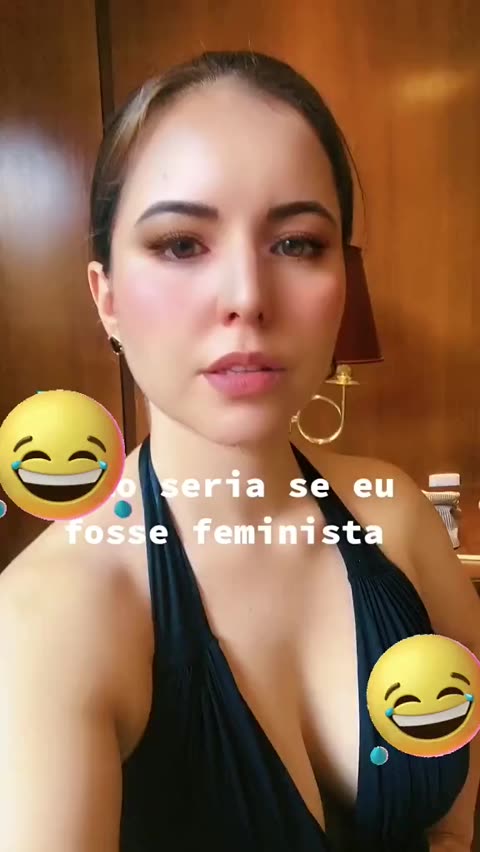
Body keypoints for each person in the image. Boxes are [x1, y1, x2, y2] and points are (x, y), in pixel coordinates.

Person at [0, 50, 478, 852]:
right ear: (106, 298)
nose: (248, 298)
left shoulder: (395, 518)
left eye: (296, 244)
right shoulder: (48, 621)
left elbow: (457, 822)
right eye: (181, 244)